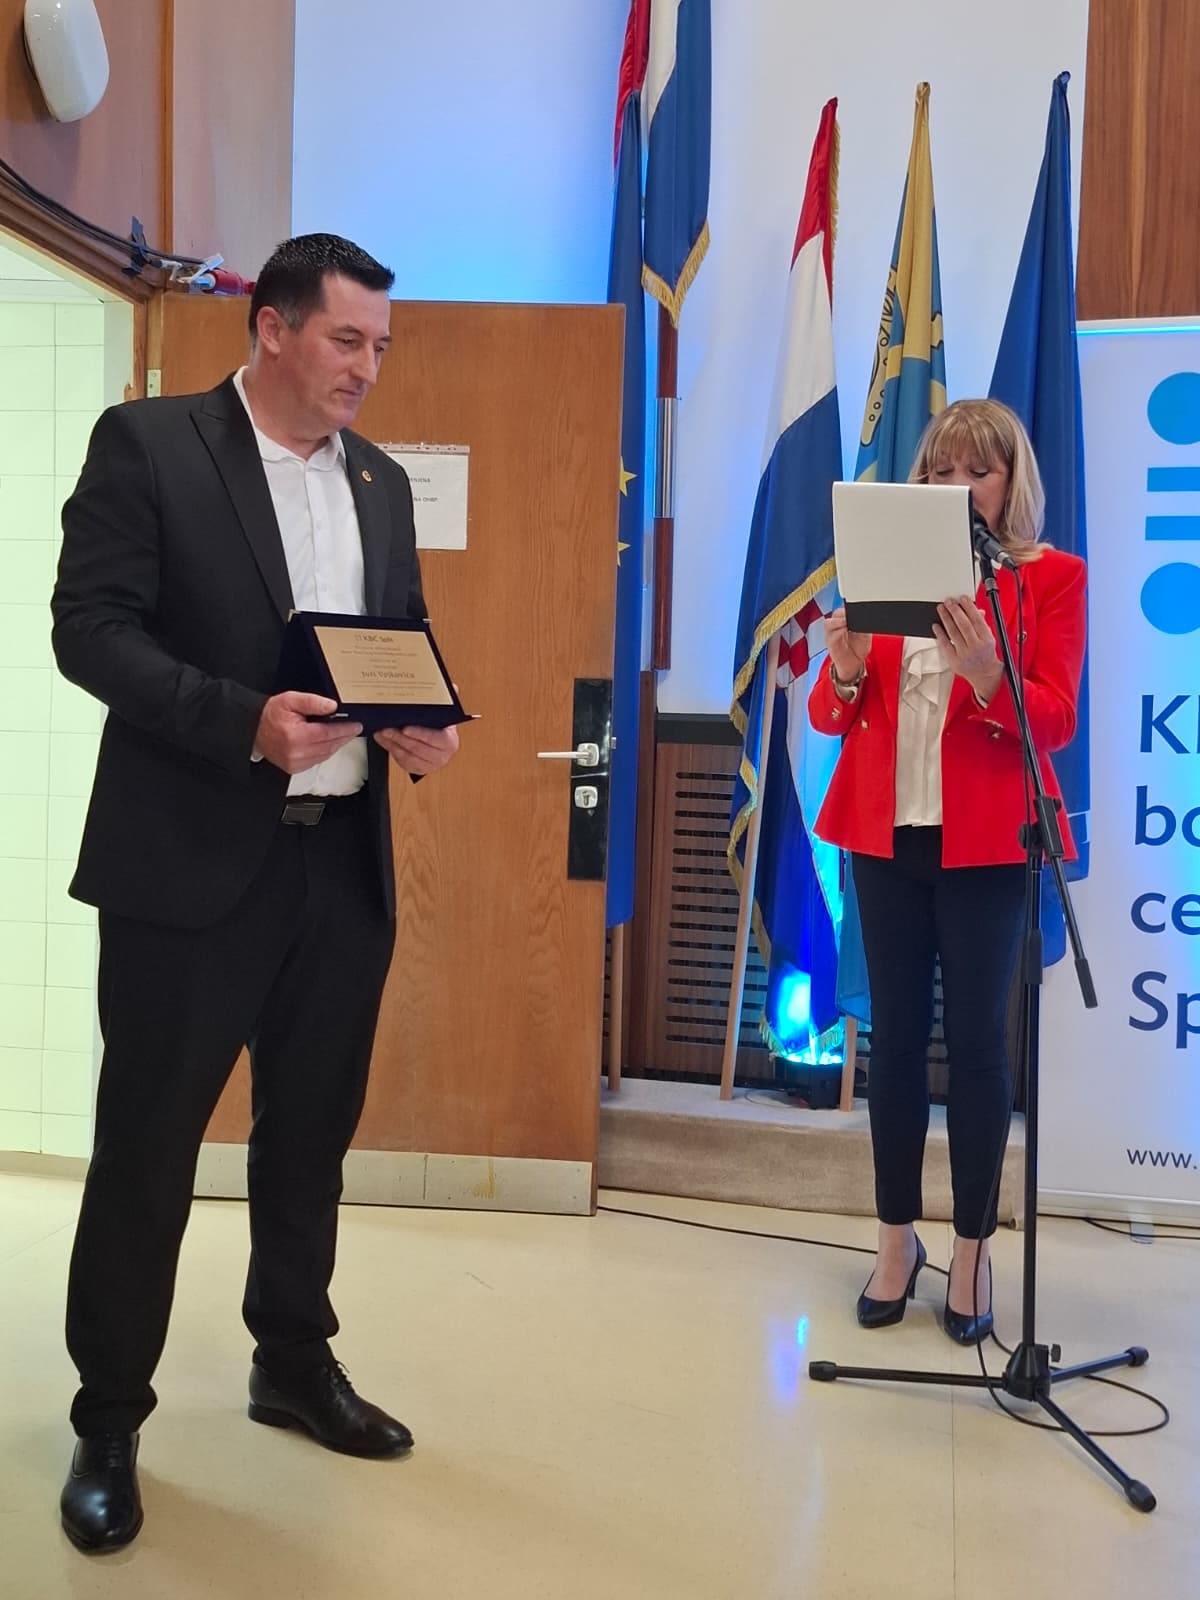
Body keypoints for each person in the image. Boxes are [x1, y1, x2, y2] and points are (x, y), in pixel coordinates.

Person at [51, 233, 460, 1554]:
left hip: (338, 864)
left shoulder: (380, 482)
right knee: (148, 1149)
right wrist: (242, 721)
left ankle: (291, 1360)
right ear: (272, 329)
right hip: (185, 868)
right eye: (347, 340)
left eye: (380, 345)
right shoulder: (151, 447)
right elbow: (88, 631)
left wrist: (419, 718)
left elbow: (394, 633)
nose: (368, 367)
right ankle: (108, 1417)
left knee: (309, 1139)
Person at [809, 398, 1086, 1344]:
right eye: (939, 470)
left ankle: (971, 1250)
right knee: (891, 1044)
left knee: (975, 1048)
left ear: (1011, 485)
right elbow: (832, 715)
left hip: (989, 845)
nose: (955, 486)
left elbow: (1058, 720)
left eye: (977, 471)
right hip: (884, 838)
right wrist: (846, 667)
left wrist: (990, 677)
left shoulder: (1049, 579)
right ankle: (896, 1241)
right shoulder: (884, 572)